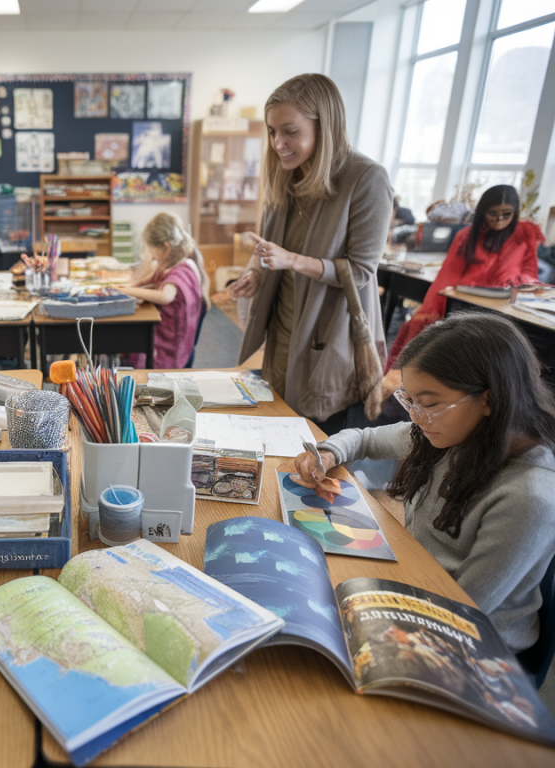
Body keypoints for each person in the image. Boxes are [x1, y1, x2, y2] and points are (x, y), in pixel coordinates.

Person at [294, 313, 555, 653]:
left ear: (489, 399)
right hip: (416, 578)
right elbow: (363, 438)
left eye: (429, 403)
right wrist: (327, 454)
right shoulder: (453, 433)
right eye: (409, 400)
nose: (415, 416)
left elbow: (462, 608)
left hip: (471, 640)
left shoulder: (528, 495)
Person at [230, 74, 393, 433]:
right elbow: (269, 243)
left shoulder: (367, 179)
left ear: (326, 124)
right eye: (272, 132)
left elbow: (361, 271)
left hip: (328, 332)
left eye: (289, 131)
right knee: (276, 424)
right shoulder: (287, 174)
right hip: (283, 328)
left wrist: (291, 260)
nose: (277, 143)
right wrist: (256, 271)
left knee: (318, 441)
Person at [386, 185, 542, 369]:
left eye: (506, 214)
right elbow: (449, 276)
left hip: (506, 305)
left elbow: (530, 272)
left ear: (515, 213)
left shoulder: (524, 234)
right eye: (493, 213)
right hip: (467, 302)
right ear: (483, 211)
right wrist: (432, 311)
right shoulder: (467, 236)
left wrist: (523, 284)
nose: (499, 219)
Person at [121, 212, 210, 369]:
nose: (153, 256)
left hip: (171, 344)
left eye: (153, 251)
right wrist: (135, 286)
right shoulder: (185, 263)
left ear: (166, 248)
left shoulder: (179, 271)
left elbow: (165, 296)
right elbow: (152, 280)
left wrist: (129, 291)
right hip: (184, 340)